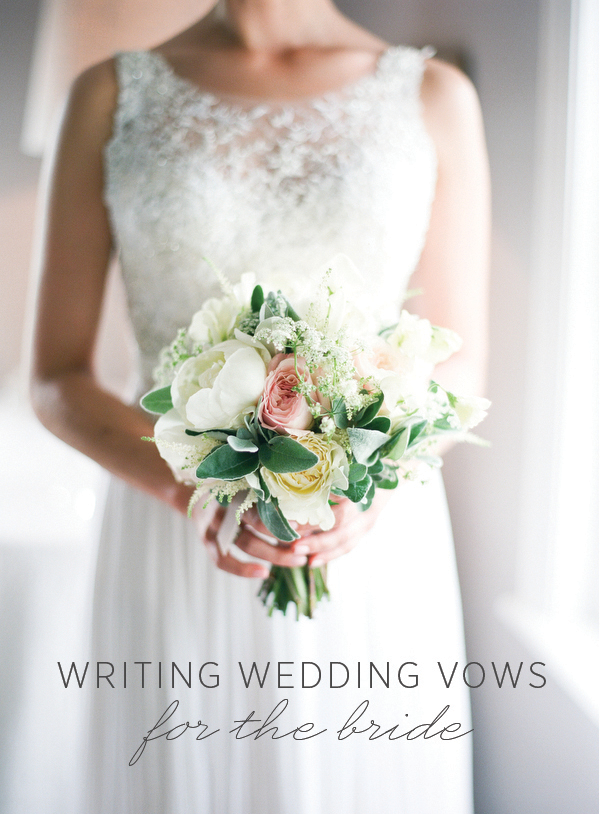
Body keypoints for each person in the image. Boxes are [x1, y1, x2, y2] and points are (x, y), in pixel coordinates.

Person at [30, 0, 489, 811]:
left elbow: (458, 365)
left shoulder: (433, 95)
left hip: (364, 536)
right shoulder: (109, 95)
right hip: (174, 527)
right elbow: (56, 378)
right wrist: (197, 489)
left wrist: (362, 494)